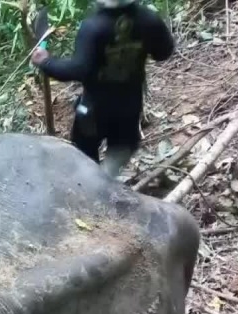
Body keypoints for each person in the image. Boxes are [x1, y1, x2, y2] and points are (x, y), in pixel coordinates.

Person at [30, 0, 175, 180]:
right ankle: (106, 179)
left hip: (94, 111)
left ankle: (96, 187)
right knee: (121, 148)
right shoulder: (148, 19)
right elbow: (164, 52)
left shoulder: (93, 27)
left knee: (84, 155)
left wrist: (46, 62)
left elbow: (79, 69)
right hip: (129, 108)